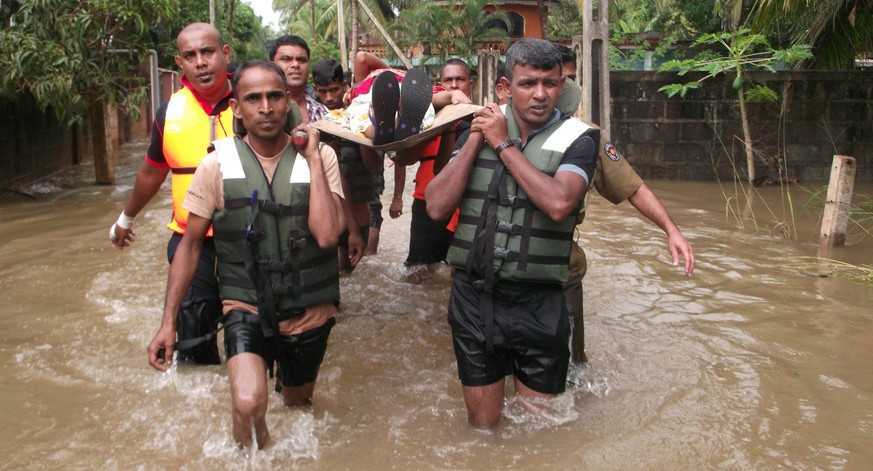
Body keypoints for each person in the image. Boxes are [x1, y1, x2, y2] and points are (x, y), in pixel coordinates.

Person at [147, 60, 345, 449]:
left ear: (288, 101)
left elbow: (327, 236)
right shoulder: (216, 163)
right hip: (245, 303)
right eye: (253, 99)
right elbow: (189, 246)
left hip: (308, 311)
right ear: (237, 108)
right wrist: (168, 322)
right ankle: (249, 456)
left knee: (297, 404)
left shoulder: (322, 159)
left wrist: (315, 159)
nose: (266, 107)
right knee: (247, 401)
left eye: (275, 96)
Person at [425, 39, 597, 428]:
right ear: (504, 88)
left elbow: (558, 203)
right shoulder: (477, 129)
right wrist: (475, 138)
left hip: (539, 303)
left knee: (539, 433)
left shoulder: (580, 139)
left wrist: (502, 143)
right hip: (474, 298)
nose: (540, 94)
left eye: (550, 84)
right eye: (528, 83)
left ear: (561, 85)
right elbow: (436, 207)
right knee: (483, 429)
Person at [553, 43, 695, 374]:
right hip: (507, 268)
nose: (558, 91)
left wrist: (671, 230)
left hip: (561, 264)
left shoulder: (585, 139)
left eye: (566, 81)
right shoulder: (501, 130)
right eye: (546, 80)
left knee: (572, 370)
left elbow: (633, 187)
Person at [109, 22, 233, 365]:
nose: (201, 62)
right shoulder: (169, 111)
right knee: (194, 351)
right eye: (190, 56)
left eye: (207, 52)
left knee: (255, 339)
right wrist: (125, 218)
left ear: (225, 54)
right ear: (180, 64)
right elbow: (151, 172)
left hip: (248, 239)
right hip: (191, 241)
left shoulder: (255, 102)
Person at [391, 59, 472, 279]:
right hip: (425, 205)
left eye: (460, 80)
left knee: (456, 272)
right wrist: (397, 197)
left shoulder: (481, 120)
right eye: (449, 80)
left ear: (470, 85)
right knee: (416, 272)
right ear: (441, 85)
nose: (454, 85)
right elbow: (405, 158)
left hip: (463, 211)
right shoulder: (428, 120)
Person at [312, 58, 377, 272]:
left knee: (353, 275)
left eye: (334, 90)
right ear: (315, 89)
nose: (329, 97)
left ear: (344, 87)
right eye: (323, 91)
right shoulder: (316, 120)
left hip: (360, 209)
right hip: (328, 211)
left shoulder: (359, 114)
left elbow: (375, 166)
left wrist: (362, 139)